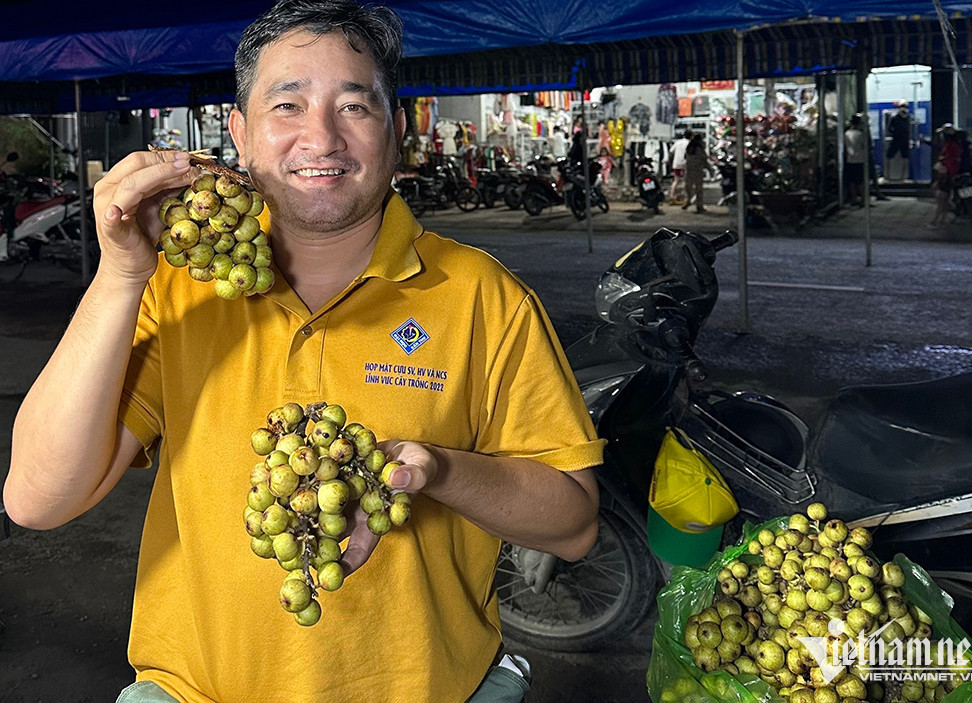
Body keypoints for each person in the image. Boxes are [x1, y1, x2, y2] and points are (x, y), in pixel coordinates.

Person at [2, 2, 603, 702]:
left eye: (355, 106)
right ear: (241, 134)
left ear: (397, 129)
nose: (322, 137)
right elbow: (37, 499)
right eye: (287, 105)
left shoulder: (483, 297)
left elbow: (574, 525)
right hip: (197, 689)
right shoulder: (178, 290)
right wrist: (122, 274)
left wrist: (437, 470)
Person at [843, 114, 866, 207]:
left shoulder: (846, 134)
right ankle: (863, 200)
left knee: (851, 181)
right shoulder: (861, 134)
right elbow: (865, 146)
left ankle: (854, 198)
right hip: (860, 159)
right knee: (861, 181)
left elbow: (845, 147)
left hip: (850, 160)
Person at [681, 133, 708, 212]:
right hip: (698, 170)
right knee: (698, 188)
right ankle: (699, 206)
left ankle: (688, 201)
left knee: (688, 187)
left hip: (689, 169)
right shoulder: (700, 148)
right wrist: (709, 168)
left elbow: (685, 157)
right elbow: (704, 159)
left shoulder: (689, 147)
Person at [668, 129, 692, 205]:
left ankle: (672, 196)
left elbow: (671, 151)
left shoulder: (678, 142)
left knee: (676, 180)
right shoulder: (689, 143)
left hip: (677, 163)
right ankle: (685, 197)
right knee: (686, 181)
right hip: (686, 164)